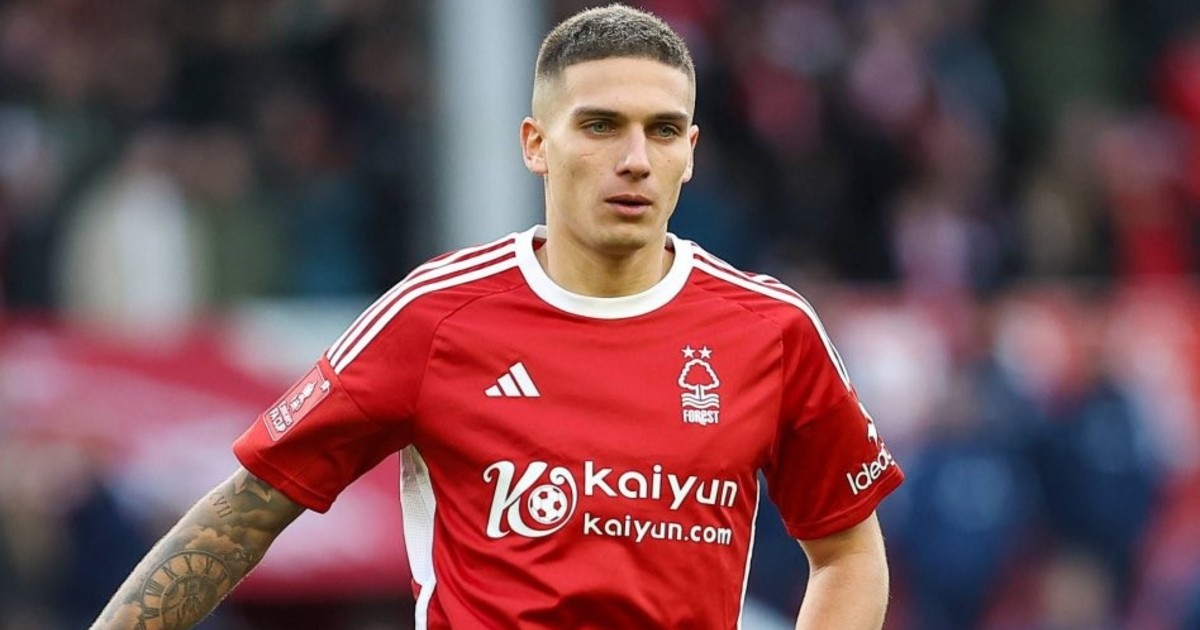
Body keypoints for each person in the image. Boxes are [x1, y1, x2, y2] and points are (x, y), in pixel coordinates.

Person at [92, 4, 903, 628]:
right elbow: (245, 514)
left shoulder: (770, 330)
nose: (634, 159)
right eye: (600, 126)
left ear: (689, 152)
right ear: (535, 144)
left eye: (661, 132)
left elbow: (847, 550)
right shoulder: (437, 316)